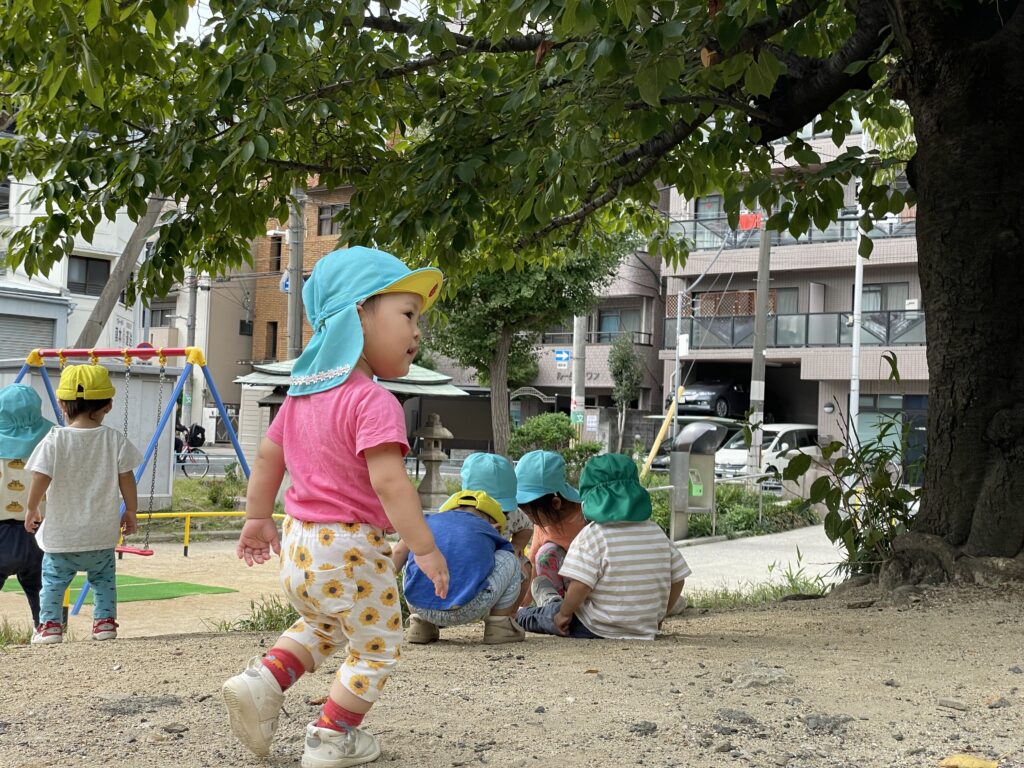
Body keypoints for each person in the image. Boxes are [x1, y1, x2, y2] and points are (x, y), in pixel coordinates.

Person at [221, 246, 450, 768]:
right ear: (357, 315)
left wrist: (256, 519)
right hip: (349, 545)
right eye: (408, 314)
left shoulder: (300, 398)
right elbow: (390, 483)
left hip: (299, 541)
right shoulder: (373, 401)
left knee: (323, 625)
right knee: (377, 644)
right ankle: (331, 737)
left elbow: (266, 457)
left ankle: (263, 682)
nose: (417, 332)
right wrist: (425, 549)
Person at [23, 364, 142, 644]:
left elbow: (41, 476)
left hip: (62, 536)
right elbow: (127, 478)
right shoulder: (114, 440)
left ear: (63, 404)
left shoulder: (55, 439)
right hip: (101, 535)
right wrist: (131, 512)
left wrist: (32, 509)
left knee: (52, 582)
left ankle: (50, 627)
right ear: (109, 405)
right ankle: (104, 624)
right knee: (103, 581)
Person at [516, 453, 690, 640]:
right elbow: (678, 579)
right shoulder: (656, 532)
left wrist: (564, 614)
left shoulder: (593, 534)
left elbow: (581, 584)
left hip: (597, 626)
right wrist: (659, 615)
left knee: (535, 616)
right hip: (643, 627)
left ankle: (516, 616)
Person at [395, 489, 525, 644]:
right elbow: (510, 565)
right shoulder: (488, 528)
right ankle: (500, 625)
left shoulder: (426, 521)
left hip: (420, 605)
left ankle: (421, 624)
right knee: (510, 558)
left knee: (415, 551)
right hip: (469, 607)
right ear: (496, 527)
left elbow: (397, 554)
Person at [0, 384, 54, 628]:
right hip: (42, 531)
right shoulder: (50, 439)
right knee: (45, 594)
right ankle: (49, 630)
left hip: (2, 530)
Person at [514, 450, 588, 605]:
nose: (529, 519)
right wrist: (521, 606)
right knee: (545, 555)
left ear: (556, 503)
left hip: (589, 587)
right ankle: (553, 610)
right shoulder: (543, 522)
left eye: (530, 514)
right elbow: (534, 566)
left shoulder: (586, 516)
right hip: (560, 598)